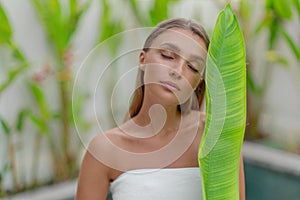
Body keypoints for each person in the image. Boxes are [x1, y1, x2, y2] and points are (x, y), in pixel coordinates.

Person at [76, 18, 245, 200]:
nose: (178, 71)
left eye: (192, 67)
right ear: (143, 59)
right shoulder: (104, 149)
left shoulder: (215, 134)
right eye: (168, 55)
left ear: (198, 82)